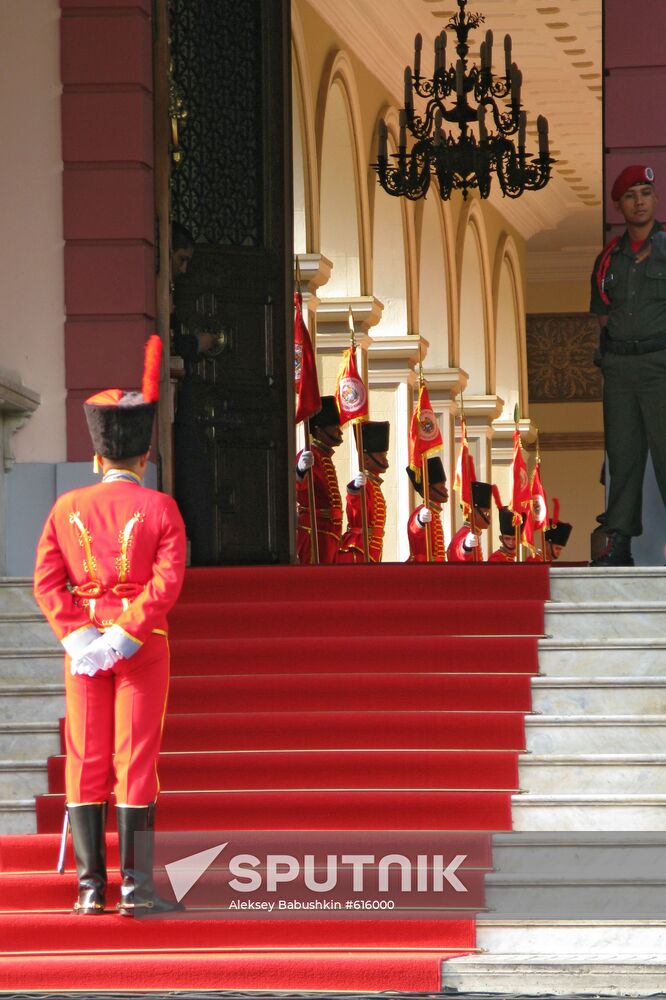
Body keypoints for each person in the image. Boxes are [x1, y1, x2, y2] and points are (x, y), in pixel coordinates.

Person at [33, 337, 187, 917]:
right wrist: (124, 634)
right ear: (143, 459)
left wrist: (81, 637)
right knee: (135, 757)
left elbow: (47, 581)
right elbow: (166, 582)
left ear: (98, 458)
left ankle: (90, 890)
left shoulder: (65, 507)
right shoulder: (162, 509)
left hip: (82, 649)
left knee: (86, 760)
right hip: (142, 645)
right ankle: (136, 890)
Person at [590, 164, 666, 566]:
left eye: (645, 193)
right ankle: (619, 542)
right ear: (619, 205)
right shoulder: (608, 260)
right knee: (623, 456)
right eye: (631, 195)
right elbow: (603, 316)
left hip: (661, 363)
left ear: (655, 199)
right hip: (620, 366)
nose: (640, 201)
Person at [295, 396, 344, 564]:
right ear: (320, 430)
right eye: (335, 427)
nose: (340, 431)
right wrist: (300, 470)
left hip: (330, 533)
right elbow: (296, 488)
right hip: (314, 531)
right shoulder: (309, 455)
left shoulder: (325, 456)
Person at [338, 421, 390, 563]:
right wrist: (355, 488)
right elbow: (355, 507)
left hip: (373, 547)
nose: (385, 460)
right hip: (360, 547)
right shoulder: (364, 484)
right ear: (366, 460)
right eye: (382, 455)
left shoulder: (374, 484)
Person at [406, 457, 449, 562]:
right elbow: (414, 529)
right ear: (429, 490)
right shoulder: (421, 511)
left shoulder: (434, 512)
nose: (446, 489)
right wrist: (420, 520)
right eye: (441, 485)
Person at [447, 481, 492, 563]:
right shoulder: (466, 533)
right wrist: (466, 546)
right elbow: (459, 552)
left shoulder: (471, 531)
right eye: (486, 513)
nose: (489, 517)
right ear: (473, 514)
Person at [488, 486, 520, 563]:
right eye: (507, 538)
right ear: (501, 538)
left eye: (514, 539)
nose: (511, 543)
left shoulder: (512, 558)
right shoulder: (495, 559)